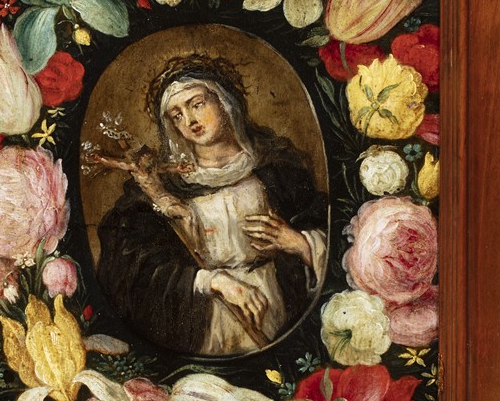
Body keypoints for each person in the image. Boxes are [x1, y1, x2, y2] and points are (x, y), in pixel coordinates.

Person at [91, 54, 327, 355]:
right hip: (205, 323)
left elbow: (329, 233)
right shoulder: (162, 187)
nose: (190, 121)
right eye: (177, 115)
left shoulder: (278, 168)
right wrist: (212, 281)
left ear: (224, 102)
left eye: (197, 104)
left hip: (278, 309)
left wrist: (299, 243)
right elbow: (131, 270)